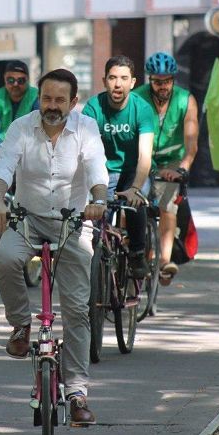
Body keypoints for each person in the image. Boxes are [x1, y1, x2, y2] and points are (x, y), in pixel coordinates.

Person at [0, 68, 108, 425]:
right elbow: (4, 165)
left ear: (73, 102)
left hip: (72, 223)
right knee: (5, 258)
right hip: (28, 218)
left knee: (76, 310)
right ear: (38, 99)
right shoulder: (21, 127)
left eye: (59, 100)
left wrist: (99, 200)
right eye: (46, 98)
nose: (52, 106)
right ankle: (21, 326)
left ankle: (77, 393)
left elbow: (96, 168)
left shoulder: (86, 128)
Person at [82, 55, 156, 278]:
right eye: (112, 78)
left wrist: (135, 188)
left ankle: (137, 253)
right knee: (94, 217)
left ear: (132, 83)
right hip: (102, 170)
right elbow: (83, 150)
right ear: (104, 81)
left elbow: (145, 156)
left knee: (135, 202)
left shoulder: (142, 109)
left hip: (134, 170)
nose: (117, 84)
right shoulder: (93, 108)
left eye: (124, 78)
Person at [133, 52, 198, 286]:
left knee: (167, 204)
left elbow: (191, 144)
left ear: (173, 79)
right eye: (158, 81)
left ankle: (164, 263)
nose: (163, 86)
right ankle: (130, 250)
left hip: (171, 162)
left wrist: (182, 169)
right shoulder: (136, 98)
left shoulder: (185, 100)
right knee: (131, 201)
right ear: (150, 80)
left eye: (167, 81)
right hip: (143, 158)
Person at [0, 60, 39, 144]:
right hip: (5, 145)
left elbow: (41, 127)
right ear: (4, 78)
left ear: (27, 80)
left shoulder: (37, 96)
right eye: (10, 80)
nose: (15, 84)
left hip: (30, 146)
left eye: (20, 80)